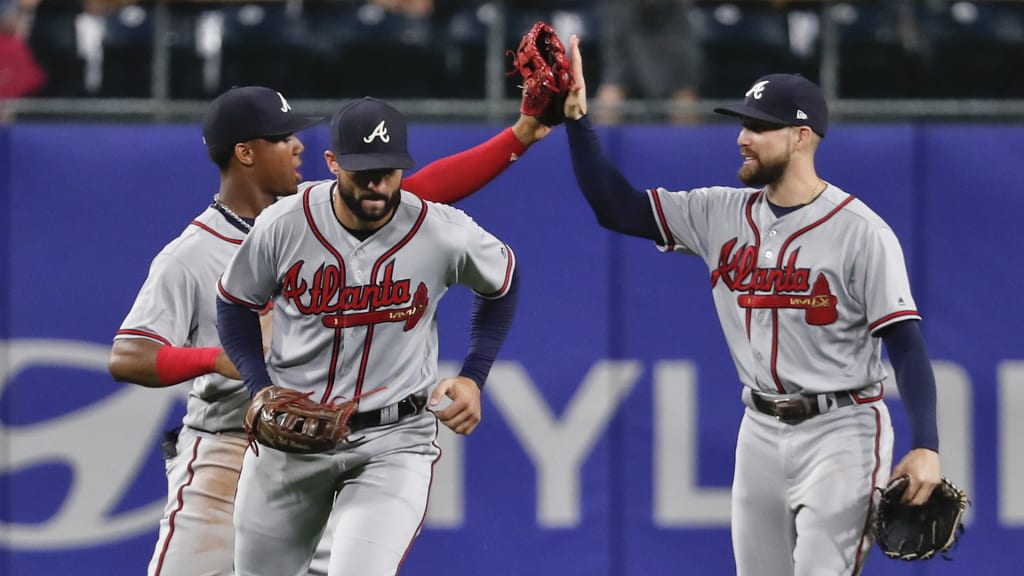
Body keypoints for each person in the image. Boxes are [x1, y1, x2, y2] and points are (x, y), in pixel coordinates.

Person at [108, 86, 549, 576]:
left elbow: (424, 191)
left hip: (339, 439)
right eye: (281, 136)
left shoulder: (324, 208)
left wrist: (521, 135)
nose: (297, 144)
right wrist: (214, 360)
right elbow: (128, 355)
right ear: (245, 153)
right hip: (231, 442)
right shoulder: (193, 254)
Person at [559, 35, 942, 576]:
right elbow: (615, 207)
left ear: (802, 136)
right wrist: (577, 117)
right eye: (743, 124)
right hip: (759, 429)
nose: (743, 137)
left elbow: (905, 343)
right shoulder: (720, 212)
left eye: (759, 127)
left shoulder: (862, 232)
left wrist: (926, 443)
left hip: (842, 430)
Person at [215, 96, 519, 576]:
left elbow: (503, 282)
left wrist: (474, 375)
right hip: (289, 444)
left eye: (388, 169)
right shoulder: (284, 223)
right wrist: (260, 389)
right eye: (363, 171)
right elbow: (234, 305)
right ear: (333, 163)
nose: (378, 183)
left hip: (393, 441)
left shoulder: (441, 231)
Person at [594, 0, 700, 124]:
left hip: (669, 14)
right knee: (612, 91)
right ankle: (601, 142)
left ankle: (686, 142)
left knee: (682, 94)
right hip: (625, 12)